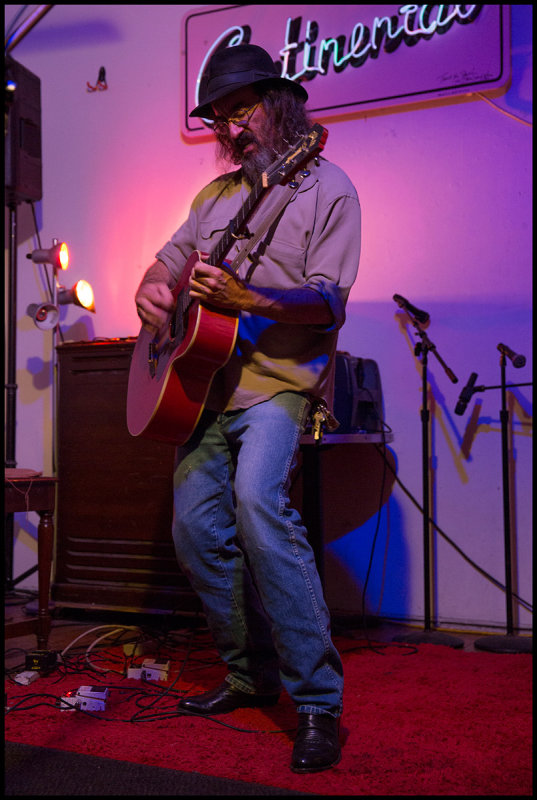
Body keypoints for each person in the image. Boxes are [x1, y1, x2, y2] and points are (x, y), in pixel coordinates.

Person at [134, 44, 361, 773]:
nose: (231, 129)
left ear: (281, 104)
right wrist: (152, 289)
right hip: (202, 388)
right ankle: (245, 676)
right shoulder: (214, 199)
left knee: (259, 506)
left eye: (243, 110)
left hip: (279, 383)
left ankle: (318, 703)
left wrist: (249, 299)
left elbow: (327, 302)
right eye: (221, 119)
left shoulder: (328, 188)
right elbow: (168, 260)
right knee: (195, 532)